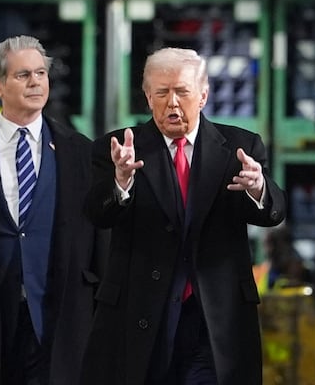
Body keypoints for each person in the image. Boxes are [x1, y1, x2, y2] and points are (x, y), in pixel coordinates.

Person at [80, 47, 287, 385]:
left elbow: (273, 213)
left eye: (182, 92)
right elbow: (96, 214)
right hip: (140, 313)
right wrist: (121, 182)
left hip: (215, 319)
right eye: (162, 93)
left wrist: (257, 187)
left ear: (203, 95)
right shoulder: (117, 148)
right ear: (148, 97)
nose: (172, 103)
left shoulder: (240, 146)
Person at [0, 36, 108, 385]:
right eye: (23, 75)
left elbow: (99, 235)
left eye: (41, 73)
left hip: (59, 313)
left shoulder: (80, 151)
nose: (35, 82)